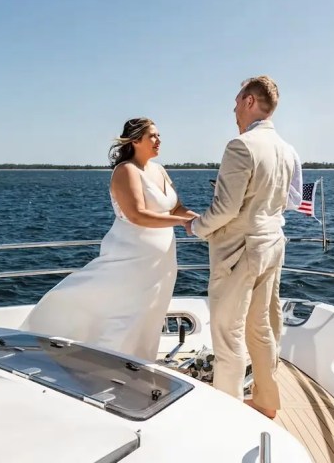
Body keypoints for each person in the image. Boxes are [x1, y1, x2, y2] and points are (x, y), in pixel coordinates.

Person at [20, 117, 196, 361]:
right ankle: (108, 364)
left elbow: (176, 208)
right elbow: (137, 214)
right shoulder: (126, 170)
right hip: (130, 261)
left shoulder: (160, 170)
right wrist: (182, 223)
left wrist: (203, 220)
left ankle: (140, 365)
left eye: (159, 135)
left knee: (150, 313)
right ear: (135, 140)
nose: (158, 140)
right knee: (123, 316)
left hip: (161, 263)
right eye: (152, 136)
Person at [185, 76, 302, 419]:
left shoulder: (241, 146)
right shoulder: (288, 149)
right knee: (261, 327)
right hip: (273, 244)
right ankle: (266, 402)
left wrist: (195, 226)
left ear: (250, 101)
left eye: (237, 102)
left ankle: (228, 415)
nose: (234, 109)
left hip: (241, 250)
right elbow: (291, 201)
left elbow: (225, 209)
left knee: (227, 333)